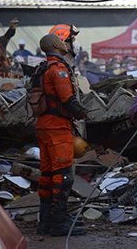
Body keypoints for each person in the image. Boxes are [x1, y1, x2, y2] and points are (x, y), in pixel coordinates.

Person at [36, 34, 87, 236]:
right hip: (57, 127)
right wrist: (84, 113)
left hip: (43, 127)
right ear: (56, 45)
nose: (67, 44)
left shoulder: (41, 68)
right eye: (63, 41)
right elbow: (68, 99)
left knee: (48, 174)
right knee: (63, 175)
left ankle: (45, 222)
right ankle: (59, 223)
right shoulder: (58, 69)